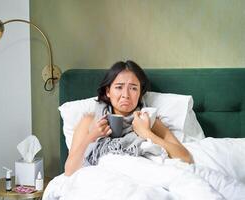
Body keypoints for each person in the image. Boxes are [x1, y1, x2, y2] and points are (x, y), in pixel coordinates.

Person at [64, 60, 193, 176]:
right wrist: (93, 135)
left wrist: (146, 133)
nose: (125, 95)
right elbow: (69, 171)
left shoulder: (148, 121)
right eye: (119, 87)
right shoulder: (90, 121)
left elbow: (185, 157)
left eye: (133, 88)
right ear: (108, 91)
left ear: (140, 93)